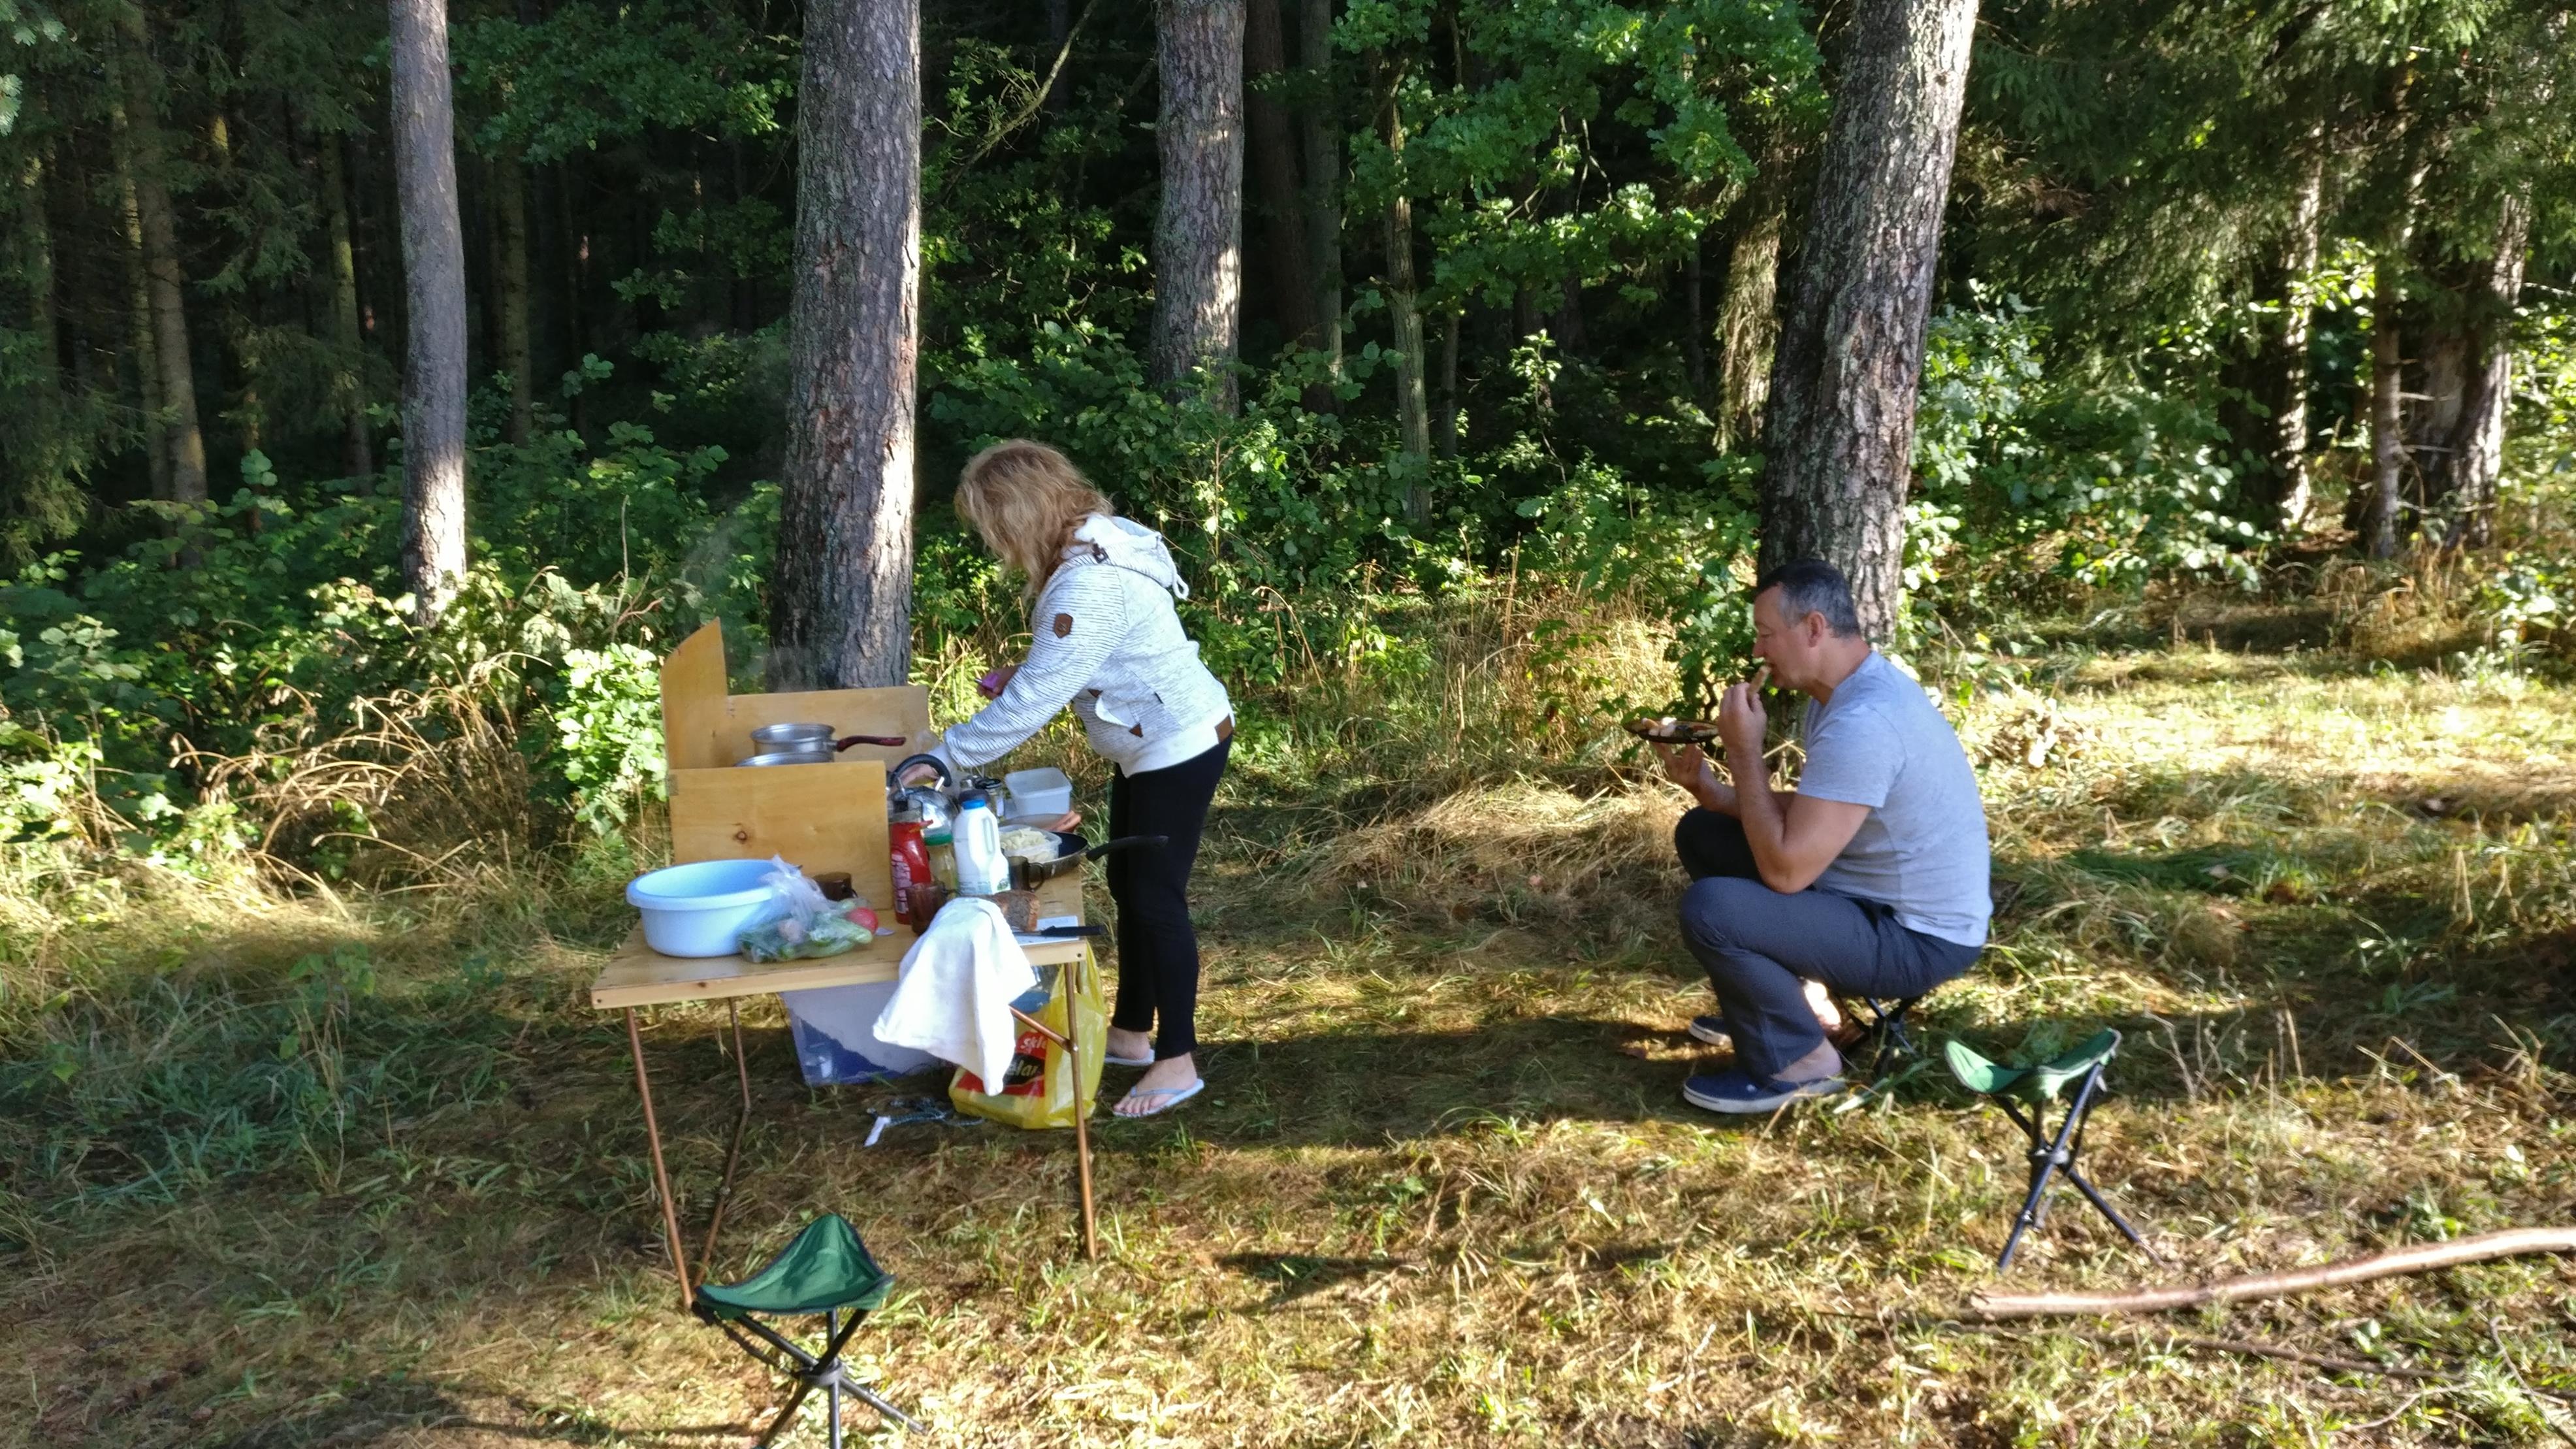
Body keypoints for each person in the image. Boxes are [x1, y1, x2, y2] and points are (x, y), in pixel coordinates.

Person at [904, 440, 1233, 1118]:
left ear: (1018, 515)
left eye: (993, 527)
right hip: (1157, 738)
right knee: (1131, 886)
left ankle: (1178, 1060)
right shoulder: (1097, 539)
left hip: (1176, 743)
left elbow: (1034, 701)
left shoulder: (1086, 584)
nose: (994, 545)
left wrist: (944, 758)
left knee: (1156, 897)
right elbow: (1082, 659)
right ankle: (1131, 1033)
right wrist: (1032, 676)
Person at [1651, 559, 1991, 1114]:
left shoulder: (1865, 722)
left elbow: (1787, 871)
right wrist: (1716, 795)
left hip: (1917, 938)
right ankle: (1791, 1009)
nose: (1758, 651)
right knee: (1705, 831)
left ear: (1813, 628)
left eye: (1766, 635)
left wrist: (1743, 752)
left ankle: (1799, 1065)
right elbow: (1821, 812)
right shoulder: (1839, 696)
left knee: (1714, 910)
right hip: (1869, 900)